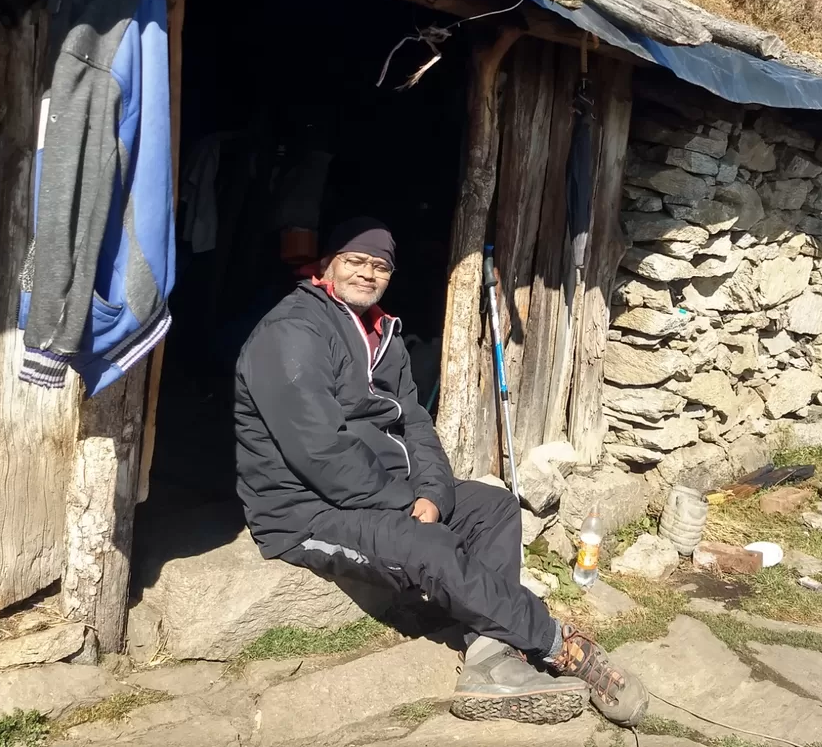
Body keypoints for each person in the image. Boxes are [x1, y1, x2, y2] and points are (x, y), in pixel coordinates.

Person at [233, 217, 647, 727]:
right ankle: (558, 645)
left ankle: (491, 656)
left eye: (380, 266)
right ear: (328, 265)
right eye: (355, 261)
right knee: (431, 547)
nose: (367, 274)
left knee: (493, 507)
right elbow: (318, 450)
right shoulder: (293, 332)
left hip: (386, 491)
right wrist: (404, 506)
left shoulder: (384, 332)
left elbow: (415, 421)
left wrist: (430, 490)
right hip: (307, 511)